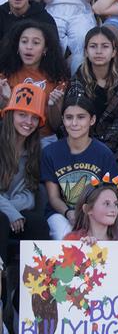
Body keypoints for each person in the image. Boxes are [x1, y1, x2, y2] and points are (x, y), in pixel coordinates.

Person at [41, 90, 117, 240]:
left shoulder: (104, 153)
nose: (74, 123)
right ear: (63, 120)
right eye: (69, 118)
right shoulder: (50, 152)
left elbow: (110, 195)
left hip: (94, 213)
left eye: (81, 117)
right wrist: (69, 213)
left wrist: (90, 215)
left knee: (96, 240)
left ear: (92, 120)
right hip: (61, 213)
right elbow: (53, 197)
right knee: (67, 237)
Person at [0, 83, 50, 273]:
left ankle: (32, 292)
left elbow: (30, 192)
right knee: (1, 221)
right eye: (22, 115)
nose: (28, 122)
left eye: (34, 118)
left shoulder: (37, 148)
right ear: (11, 114)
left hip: (16, 211)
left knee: (38, 223)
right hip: (7, 215)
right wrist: (10, 213)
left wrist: (12, 210)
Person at [0, 20, 67, 139]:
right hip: (12, 138)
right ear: (17, 46)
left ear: (45, 49)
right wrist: (6, 100)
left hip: (44, 139)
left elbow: (56, 125)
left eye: (36, 43)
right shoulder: (4, 76)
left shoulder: (58, 79)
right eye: (24, 41)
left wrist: (53, 106)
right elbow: (5, 121)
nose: (29, 47)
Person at [69, 26, 118, 156]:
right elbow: (74, 120)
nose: (99, 51)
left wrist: (102, 148)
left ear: (114, 52)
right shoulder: (77, 81)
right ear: (85, 51)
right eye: (93, 46)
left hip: (114, 149)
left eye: (105, 46)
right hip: (80, 146)